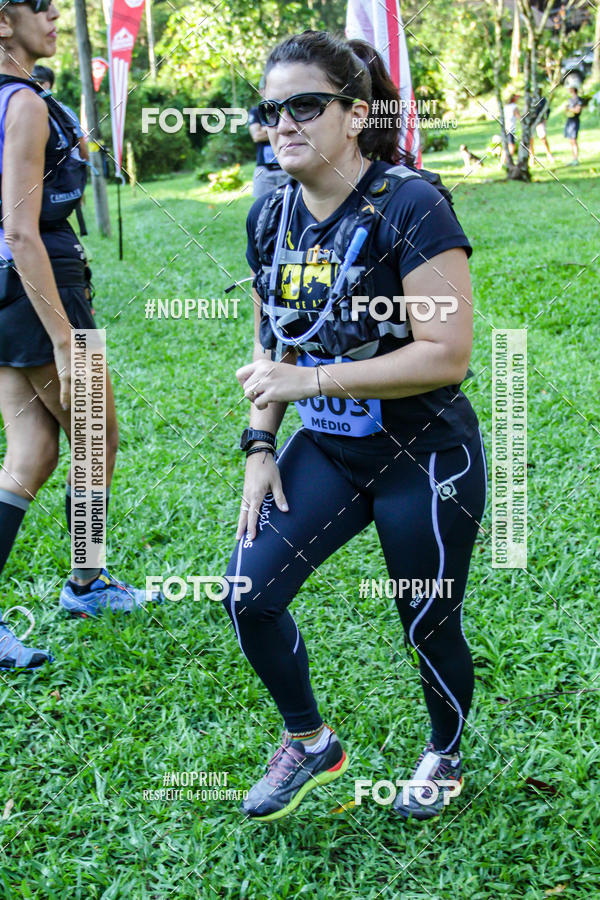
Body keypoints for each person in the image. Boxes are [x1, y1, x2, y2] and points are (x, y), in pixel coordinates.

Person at [222, 30, 487, 823]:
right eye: (271, 110)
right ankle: (310, 743)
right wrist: (261, 443)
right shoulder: (270, 218)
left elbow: (448, 353)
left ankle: (444, 750)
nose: (284, 124)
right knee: (248, 593)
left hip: (425, 452)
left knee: (427, 618)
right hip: (328, 450)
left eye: (306, 105)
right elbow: (276, 344)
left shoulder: (412, 203)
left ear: (355, 113)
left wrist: (307, 381)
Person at [0, 0, 162, 669]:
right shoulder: (25, 105)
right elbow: (19, 226)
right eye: (39, 6)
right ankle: (87, 582)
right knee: (99, 435)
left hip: (7, 292)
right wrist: (67, 340)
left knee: (33, 451)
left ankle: (88, 582)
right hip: (44, 288)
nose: (54, 15)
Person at [248, 99, 289, 198]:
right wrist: (274, 129)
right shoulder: (256, 111)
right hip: (265, 170)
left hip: (286, 168)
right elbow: (256, 136)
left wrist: (264, 129)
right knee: (262, 205)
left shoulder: (286, 107)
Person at [529, 93, 555, 165]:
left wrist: (545, 118)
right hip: (531, 121)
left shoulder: (542, 99)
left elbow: (547, 109)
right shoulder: (530, 99)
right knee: (530, 139)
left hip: (540, 121)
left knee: (543, 137)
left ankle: (549, 154)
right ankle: (532, 157)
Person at [564, 85, 582, 165]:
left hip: (575, 120)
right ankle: (573, 158)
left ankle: (575, 159)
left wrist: (570, 109)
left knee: (574, 140)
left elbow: (577, 110)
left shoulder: (578, 99)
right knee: (571, 140)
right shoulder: (570, 99)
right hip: (569, 120)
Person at [504, 93, 520, 157]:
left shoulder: (506, 106)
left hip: (505, 127)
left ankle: (504, 161)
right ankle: (509, 159)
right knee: (512, 145)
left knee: (506, 145)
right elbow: (518, 116)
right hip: (511, 128)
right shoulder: (514, 107)